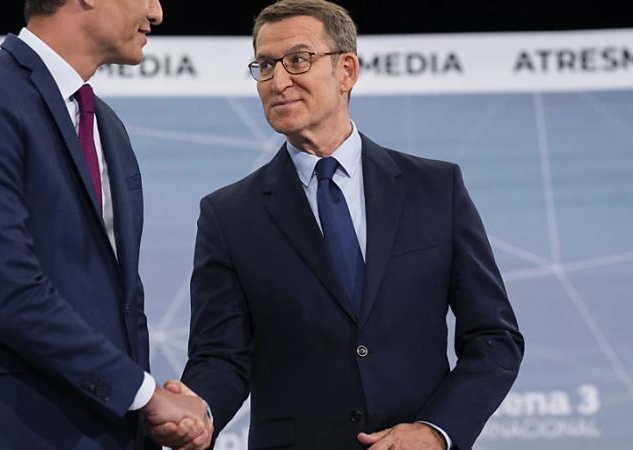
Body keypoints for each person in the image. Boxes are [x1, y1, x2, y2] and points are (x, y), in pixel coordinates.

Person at [162, 1, 524, 449]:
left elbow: (494, 338)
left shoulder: (435, 188)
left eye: (298, 60)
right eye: (265, 66)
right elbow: (221, 356)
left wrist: (436, 431)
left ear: (347, 70)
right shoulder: (228, 214)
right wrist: (200, 411)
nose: (278, 81)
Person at [0, 0, 212, 448]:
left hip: (102, 429)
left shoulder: (107, 125)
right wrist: (144, 396)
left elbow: (121, 304)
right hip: (1, 430)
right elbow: (9, 291)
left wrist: (146, 415)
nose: (157, 11)